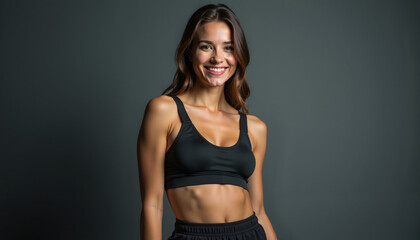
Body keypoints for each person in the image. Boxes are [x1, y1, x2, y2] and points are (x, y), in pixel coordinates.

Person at [137, 4, 277, 240]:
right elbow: (152, 206)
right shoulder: (164, 111)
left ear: (239, 55)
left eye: (228, 48)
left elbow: (260, 211)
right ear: (190, 52)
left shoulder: (254, 127)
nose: (218, 58)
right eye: (206, 47)